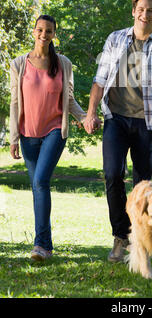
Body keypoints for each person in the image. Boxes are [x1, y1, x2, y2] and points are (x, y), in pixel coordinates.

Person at [84, 0, 152, 263]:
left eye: (150, 10)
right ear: (133, 11)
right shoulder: (115, 39)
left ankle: (141, 242)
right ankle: (120, 237)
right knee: (113, 175)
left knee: (144, 187)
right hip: (115, 117)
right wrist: (91, 112)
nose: (145, 14)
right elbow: (100, 79)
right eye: (141, 9)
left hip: (147, 121)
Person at [10, 15, 86, 261]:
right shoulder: (19, 64)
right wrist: (13, 138)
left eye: (49, 31)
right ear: (33, 32)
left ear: (54, 34)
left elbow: (70, 99)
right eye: (40, 29)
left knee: (41, 181)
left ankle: (40, 245)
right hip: (27, 134)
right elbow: (14, 103)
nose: (44, 34)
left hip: (55, 130)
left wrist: (84, 118)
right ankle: (46, 246)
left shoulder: (63, 63)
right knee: (37, 188)